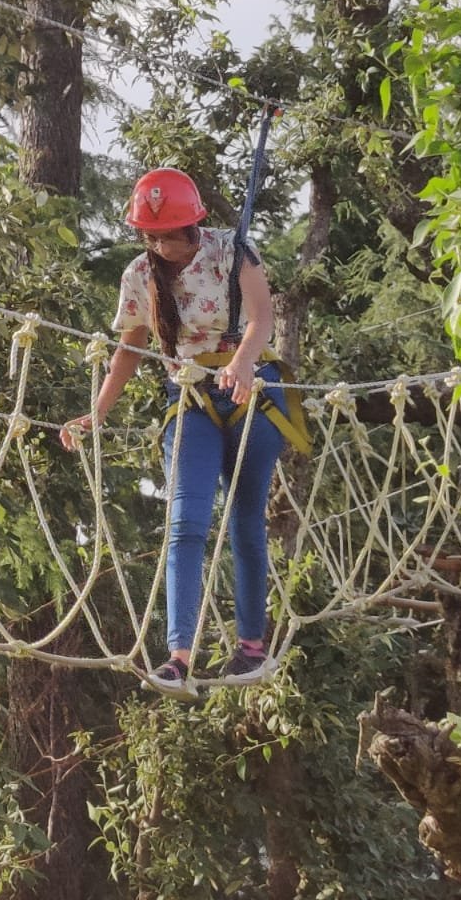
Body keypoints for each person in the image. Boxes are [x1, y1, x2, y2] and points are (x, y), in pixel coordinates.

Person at [61, 167, 294, 693]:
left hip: (252, 393)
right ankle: (178, 656)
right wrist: (98, 411)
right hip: (189, 398)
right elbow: (130, 348)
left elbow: (262, 317)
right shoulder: (139, 274)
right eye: (152, 236)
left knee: (244, 519)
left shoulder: (233, 251)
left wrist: (243, 362)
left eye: (170, 235)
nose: (162, 245)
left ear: (193, 225)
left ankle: (251, 648)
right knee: (186, 521)